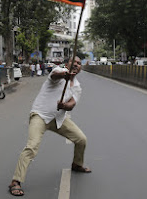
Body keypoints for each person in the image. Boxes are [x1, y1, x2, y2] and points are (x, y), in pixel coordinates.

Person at [8, 56, 90, 196]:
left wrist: (64, 105)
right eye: (73, 62)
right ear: (67, 64)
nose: (76, 65)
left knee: (81, 139)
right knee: (32, 146)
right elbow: (55, 75)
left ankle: (77, 164)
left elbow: (72, 104)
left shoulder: (77, 86)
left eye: (78, 63)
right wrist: (65, 75)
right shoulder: (59, 71)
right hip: (40, 115)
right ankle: (16, 181)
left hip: (58, 119)